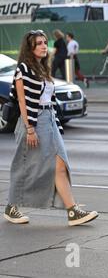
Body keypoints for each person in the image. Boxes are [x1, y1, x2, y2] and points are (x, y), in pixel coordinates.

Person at [4, 30, 98, 226]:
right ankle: (12, 207)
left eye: (45, 42)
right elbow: (22, 100)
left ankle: (72, 211)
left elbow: (49, 99)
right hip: (33, 120)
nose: (43, 46)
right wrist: (30, 128)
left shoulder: (42, 68)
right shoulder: (23, 69)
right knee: (25, 165)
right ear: (30, 47)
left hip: (49, 119)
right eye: (38, 43)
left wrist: (55, 123)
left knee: (60, 165)